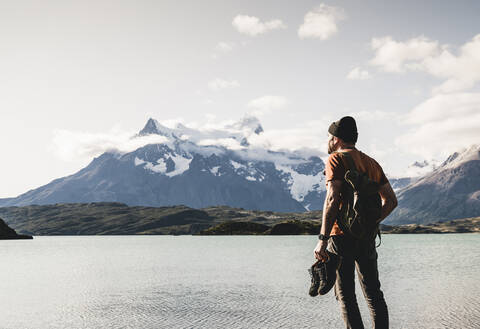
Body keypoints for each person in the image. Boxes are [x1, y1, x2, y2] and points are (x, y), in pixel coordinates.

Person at [313, 116, 398, 329]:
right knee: (373, 293)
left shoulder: (335, 159)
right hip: (367, 237)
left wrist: (322, 239)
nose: (329, 141)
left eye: (330, 137)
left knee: (346, 295)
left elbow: (332, 199)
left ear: (337, 138)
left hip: (340, 236)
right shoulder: (371, 163)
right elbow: (391, 200)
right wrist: (370, 223)